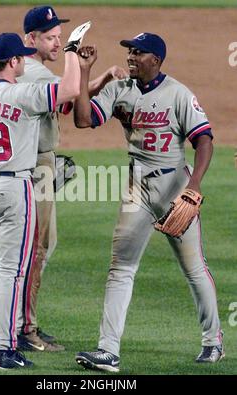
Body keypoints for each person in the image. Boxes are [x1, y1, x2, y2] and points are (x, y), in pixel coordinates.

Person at [74, 33, 224, 372]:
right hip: (136, 189)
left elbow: (204, 140)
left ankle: (213, 341)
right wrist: (85, 73)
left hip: (176, 188)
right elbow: (84, 119)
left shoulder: (178, 93)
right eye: (129, 50)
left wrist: (195, 186)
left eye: (137, 52)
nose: (130, 56)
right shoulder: (118, 88)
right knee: (120, 267)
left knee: (193, 267)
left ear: (155, 59)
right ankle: (107, 350)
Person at [0, 30, 82, 369]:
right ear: (12, 62)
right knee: (12, 271)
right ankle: (6, 350)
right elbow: (70, 90)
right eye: (21, 57)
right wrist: (71, 51)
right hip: (14, 189)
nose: (25, 61)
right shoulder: (23, 93)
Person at [16, 5, 128, 353]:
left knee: (38, 248)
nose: (56, 42)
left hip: (38, 165)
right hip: (34, 168)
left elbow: (69, 95)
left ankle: (23, 324)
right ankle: (25, 330)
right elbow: (68, 95)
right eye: (50, 38)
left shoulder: (36, 71)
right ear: (30, 39)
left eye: (59, 37)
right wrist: (82, 66)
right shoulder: (33, 72)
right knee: (36, 250)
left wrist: (99, 75)